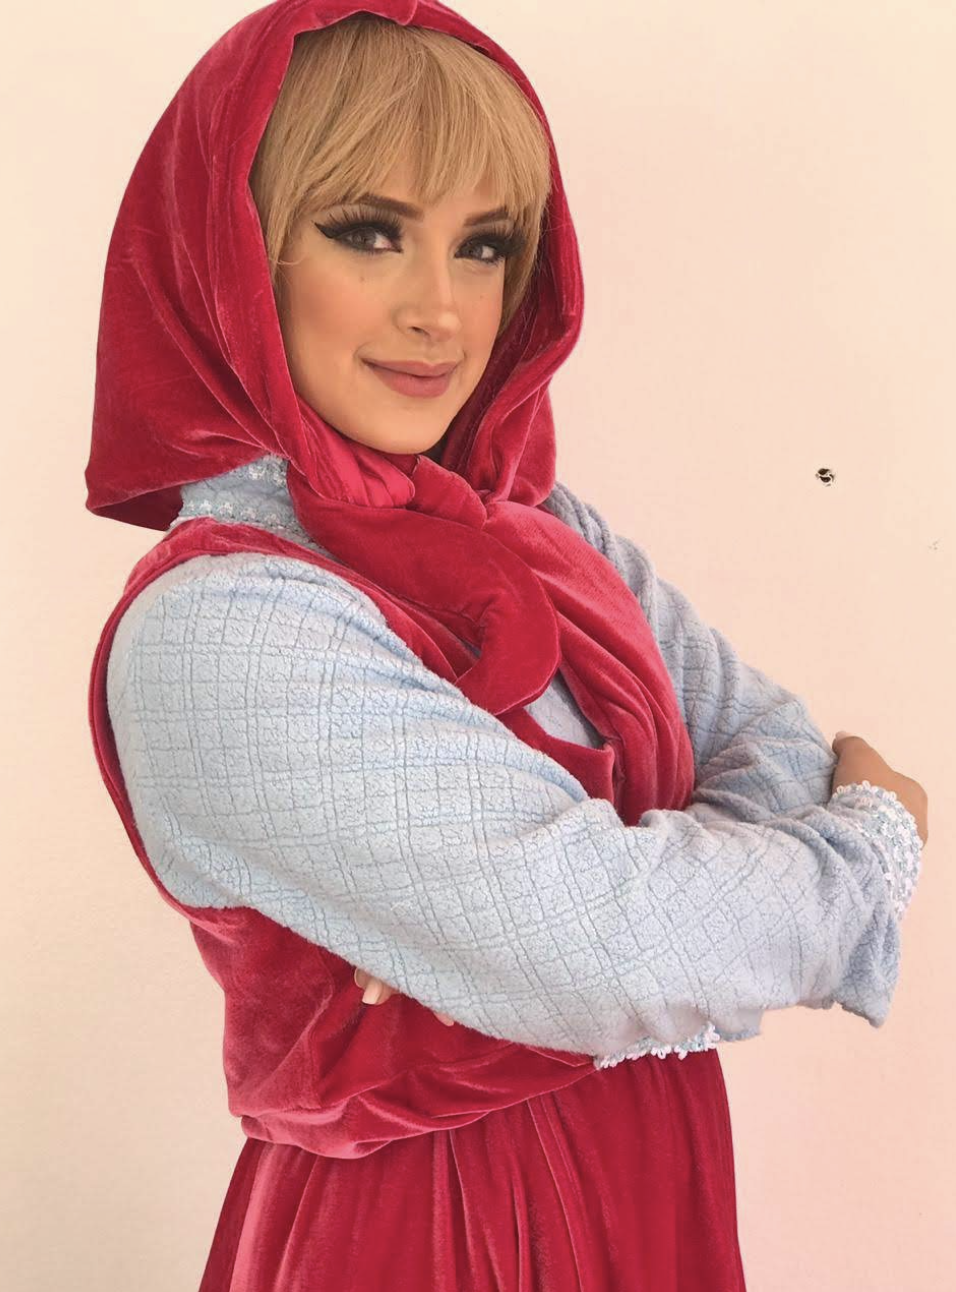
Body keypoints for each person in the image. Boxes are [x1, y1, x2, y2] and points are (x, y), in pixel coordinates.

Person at [84, 3, 924, 1288]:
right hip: (421, 1230)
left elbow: (770, 744)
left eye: (482, 246)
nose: (440, 309)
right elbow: (612, 948)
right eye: (367, 230)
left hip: (650, 1179)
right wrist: (865, 846)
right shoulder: (221, 624)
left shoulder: (539, 528)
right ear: (233, 252)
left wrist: (564, 928)